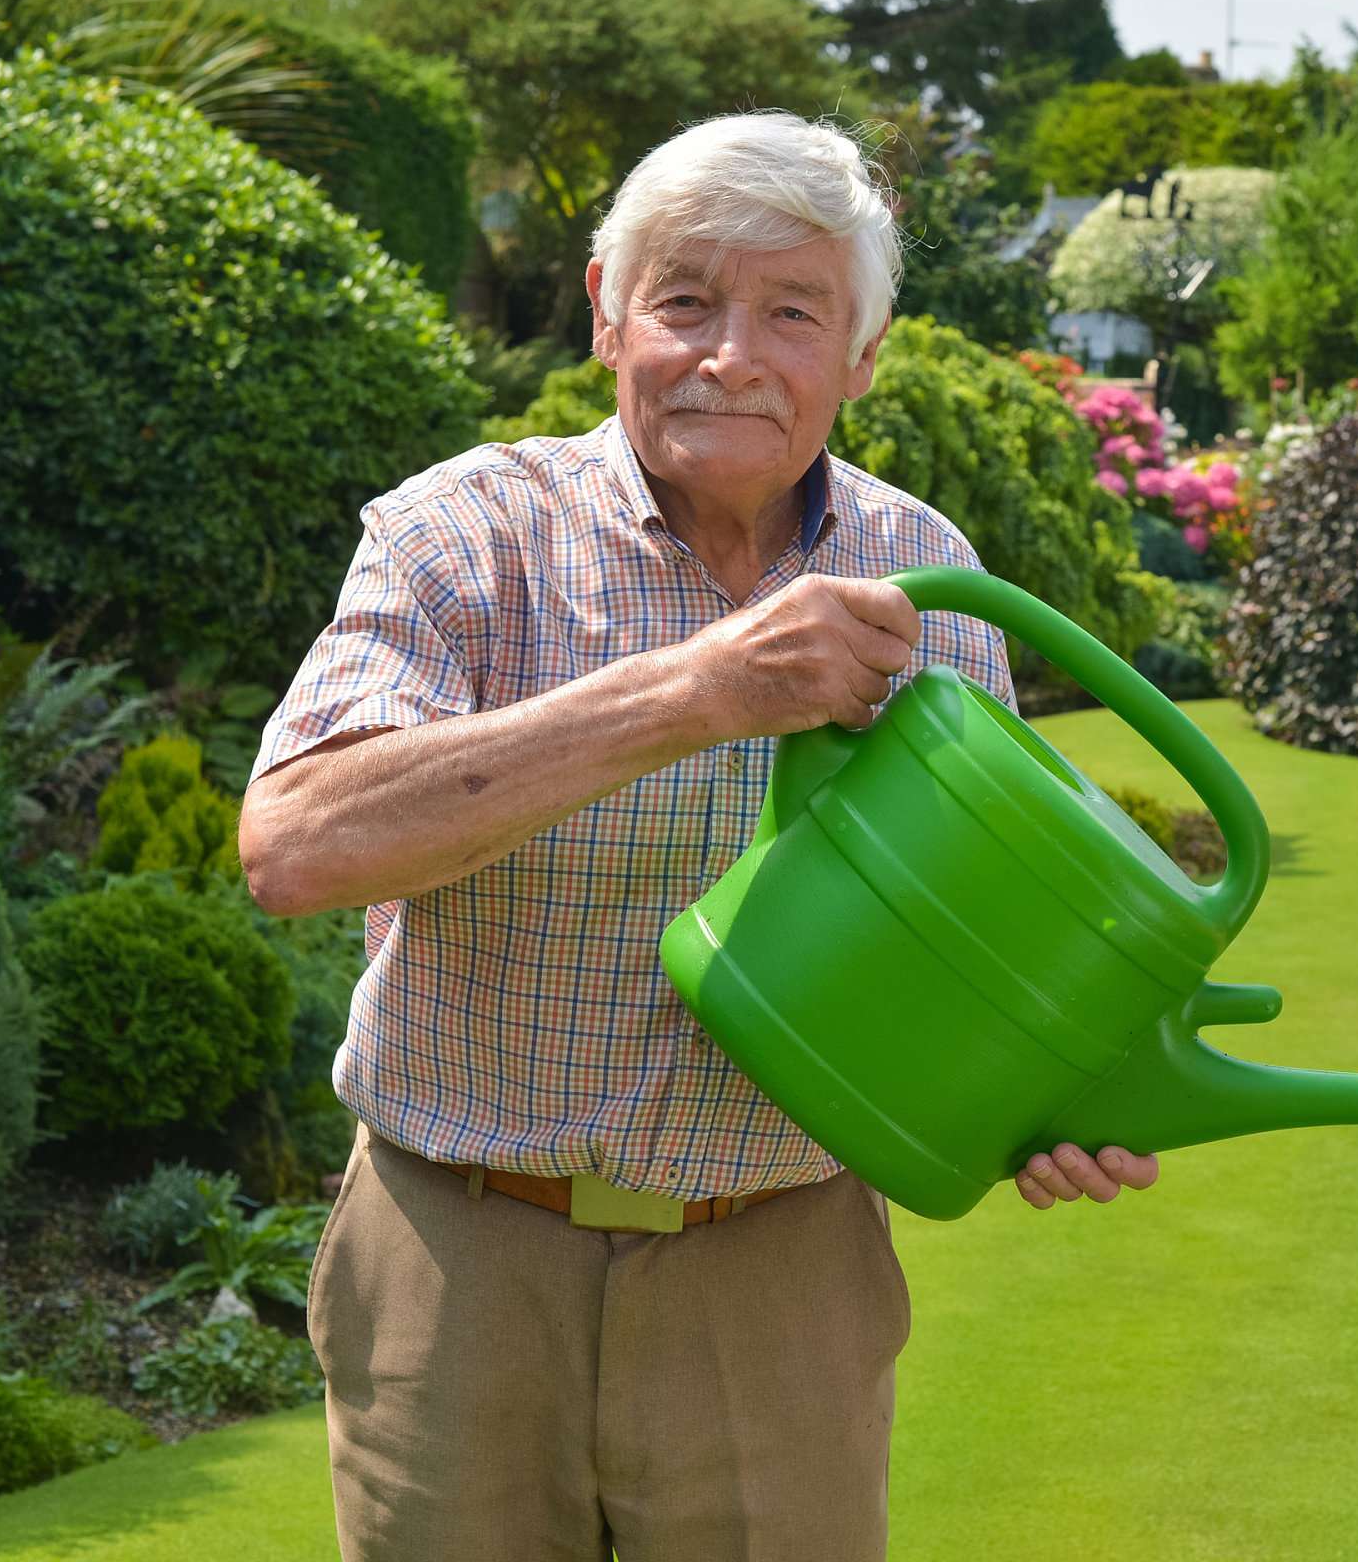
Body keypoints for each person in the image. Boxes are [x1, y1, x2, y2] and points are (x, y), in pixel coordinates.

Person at [237, 111, 1157, 1562]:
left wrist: (1035, 1103)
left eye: (791, 312)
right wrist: (696, 692)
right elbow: (293, 847)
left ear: (861, 360)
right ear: (609, 318)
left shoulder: (927, 577)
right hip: (461, 1262)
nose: (731, 352)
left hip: (778, 1271)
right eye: (685, 300)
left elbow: (973, 938)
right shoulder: (462, 534)